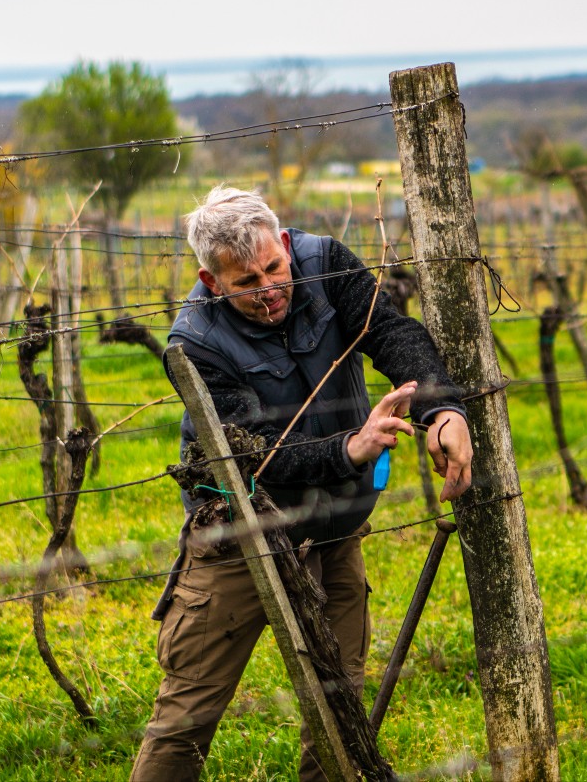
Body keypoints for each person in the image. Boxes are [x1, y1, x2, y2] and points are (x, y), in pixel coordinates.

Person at [131, 186, 473, 781]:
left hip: (335, 524)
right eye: (246, 282)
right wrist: (350, 448)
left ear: (285, 245)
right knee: (188, 713)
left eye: (274, 268)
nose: (268, 290)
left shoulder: (327, 263)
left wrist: (442, 409)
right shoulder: (194, 344)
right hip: (240, 533)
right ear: (211, 281)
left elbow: (391, 333)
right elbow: (253, 454)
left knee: (340, 705)